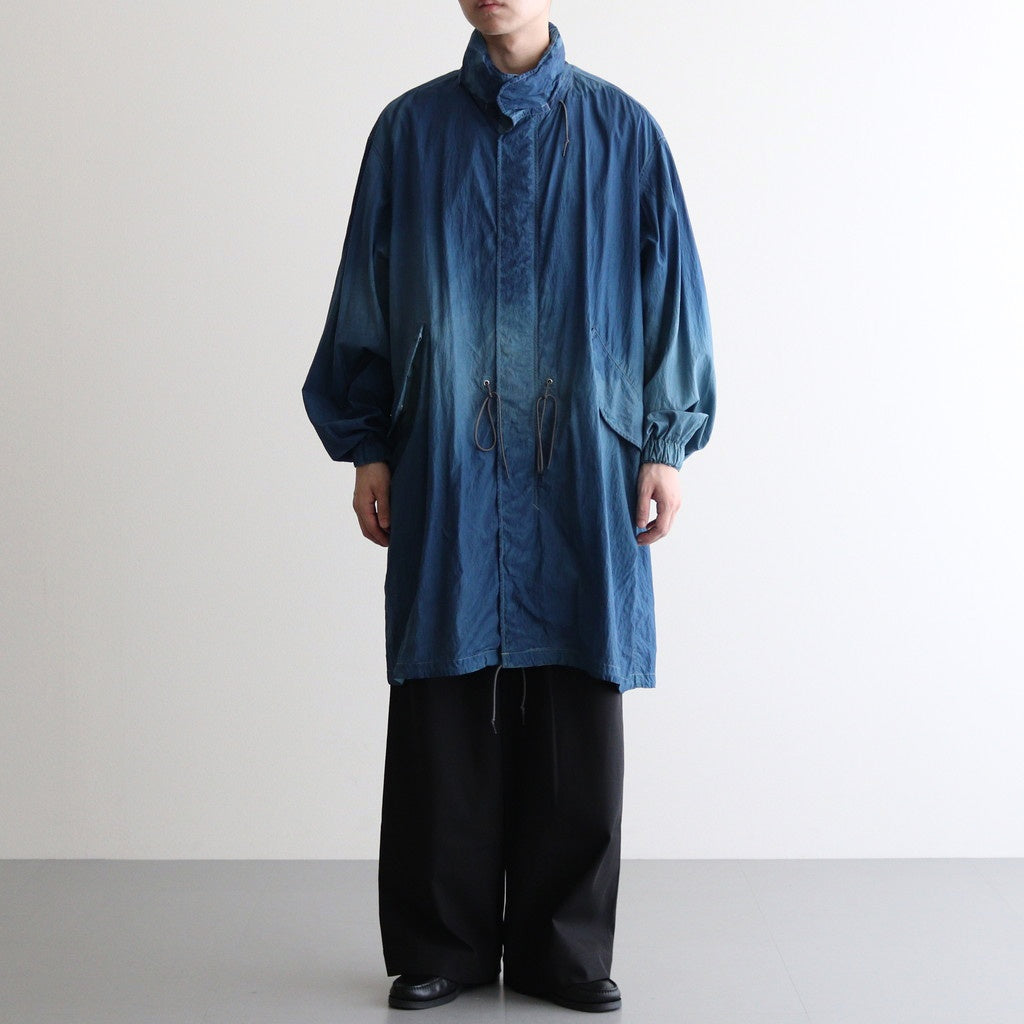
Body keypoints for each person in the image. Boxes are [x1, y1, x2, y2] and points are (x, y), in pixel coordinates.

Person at [301, 0, 716, 1012]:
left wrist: (664, 442)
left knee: (577, 684)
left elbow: (673, 294)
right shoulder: (410, 132)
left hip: (584, 455)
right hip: (447, 450)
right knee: (443, 687)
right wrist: (368, 443)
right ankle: (439, 945)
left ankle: (563, 950)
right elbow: (367, 290)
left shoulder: (623, 132)